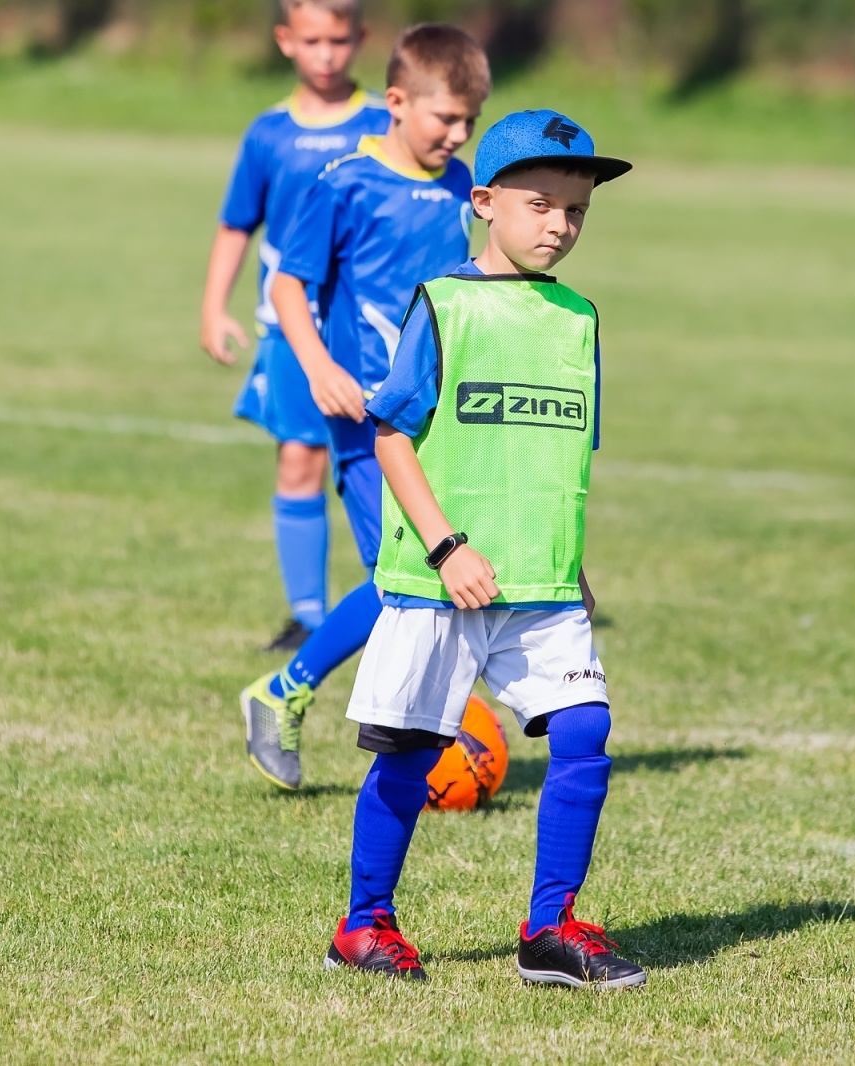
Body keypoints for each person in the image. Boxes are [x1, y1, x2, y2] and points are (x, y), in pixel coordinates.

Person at [322, 110, 647, 989]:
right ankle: (364, 925)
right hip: (442, 583)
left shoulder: (579, 321)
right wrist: (445, 546)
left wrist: (570, 563)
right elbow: (391, 435)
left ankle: (550, 927)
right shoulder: (445, 303)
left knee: (586, 731)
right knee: (408, 755)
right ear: (483, 202)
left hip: (540, 582)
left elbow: (562, 455)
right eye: (540, 204)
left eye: (576, 211)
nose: (559, 226)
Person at [239, 24, 491, 790]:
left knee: (424, 580)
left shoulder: (461, 186)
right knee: (403, 577)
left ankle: (422, 729)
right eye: (444, 118)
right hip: (366, 419)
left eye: (468, 122)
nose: (456, 135)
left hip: (437, 417)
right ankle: (280, 691)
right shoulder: (346, 181)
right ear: (395, 102)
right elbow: (287, 282)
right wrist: (318, 368)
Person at [199, 0, 388, 653]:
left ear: (359, 38)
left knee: (386, 464)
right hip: (289, 332)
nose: (327, 54)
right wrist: (213, 306)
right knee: (300, 460)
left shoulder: (385, 124)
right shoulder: (268, 134)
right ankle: (308, 616)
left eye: (339, 40)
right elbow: (236, 224)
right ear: (285, 41)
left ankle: (397, 603)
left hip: (369, 335)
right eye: (312, 40)